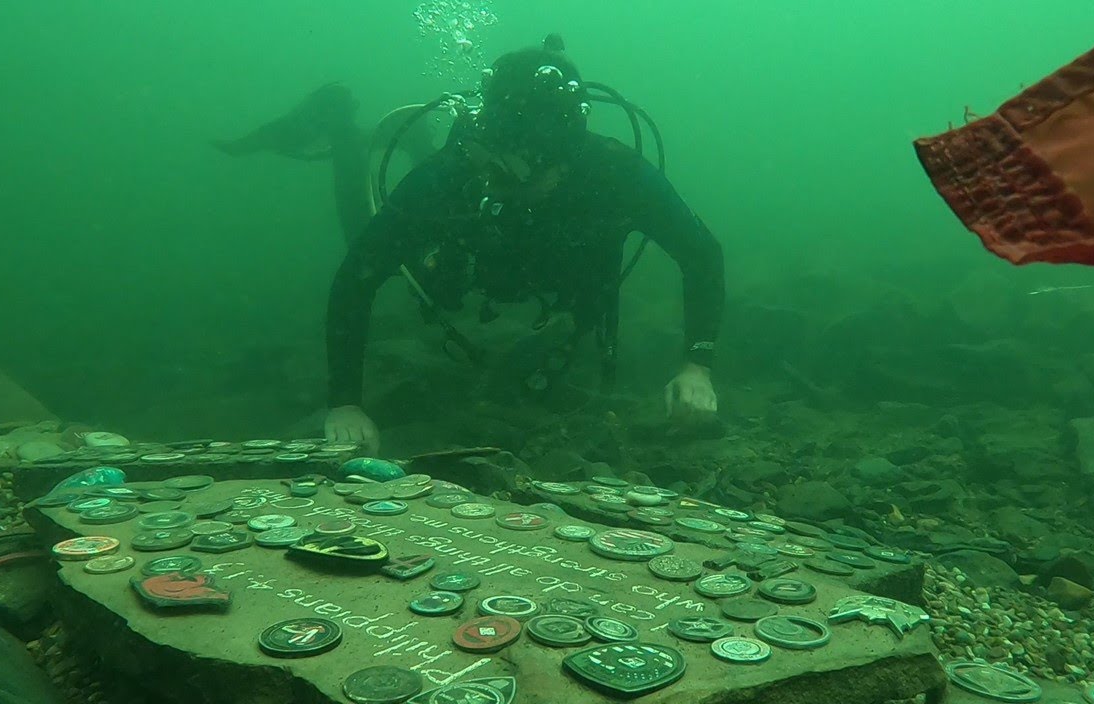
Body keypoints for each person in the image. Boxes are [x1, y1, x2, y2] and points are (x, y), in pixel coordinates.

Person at [325, 38, 725, 453]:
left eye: (516, 172)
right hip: (461, 263)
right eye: (492, 162)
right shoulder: (458, 167)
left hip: (563, 269)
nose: (498, 183)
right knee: (385, 246)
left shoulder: (615, 175)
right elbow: (358, 275)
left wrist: (698, 365)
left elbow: (702, 254)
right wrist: (345, 403)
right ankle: (342, 131)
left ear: (563, 161)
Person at [214, 82, 435, 247]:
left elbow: (268, 137)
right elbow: (268, 137)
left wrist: (237, 148)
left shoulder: (350, 140)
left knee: (366, 250)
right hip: (377, 231)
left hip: (369, 235)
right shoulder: (355, 139)